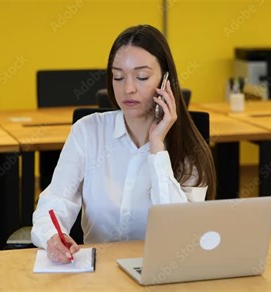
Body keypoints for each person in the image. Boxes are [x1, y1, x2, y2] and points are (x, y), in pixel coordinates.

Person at [31, 24, 216, 263]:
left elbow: (180, 232)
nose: (128, 88)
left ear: (166, 79)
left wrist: (157, 147)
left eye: (142, 77)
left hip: (164, 272)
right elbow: (56, 199)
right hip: (99, 275)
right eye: (118, 76)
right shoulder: (88, 132)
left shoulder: (188, 147)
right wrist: (53, 235)